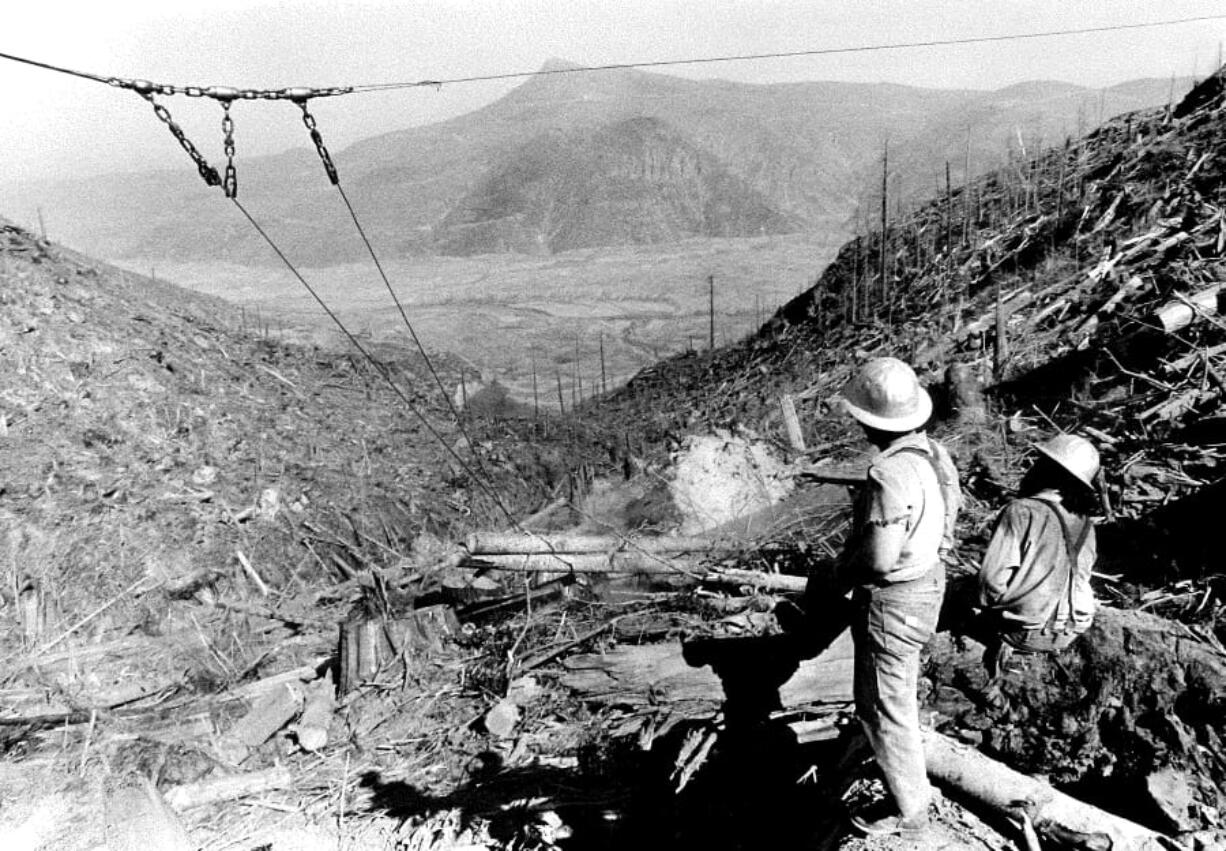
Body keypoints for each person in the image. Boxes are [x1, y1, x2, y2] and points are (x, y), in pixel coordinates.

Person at [835, 357, 961, 838]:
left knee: (885, 705)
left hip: (894, 600)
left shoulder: (888, 475)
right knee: (894, 692)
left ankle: (910, 807)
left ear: (870, 420)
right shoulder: (933, 454)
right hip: (929, 584)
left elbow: (880, 560)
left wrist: (841, 570)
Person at [977, 434, 1099, 671]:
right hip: (1072, 630)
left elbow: (991, 582)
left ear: (1046, 470)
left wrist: (982, 604)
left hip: (1026, 633)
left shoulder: (1021, 511)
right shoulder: (1086, 523)